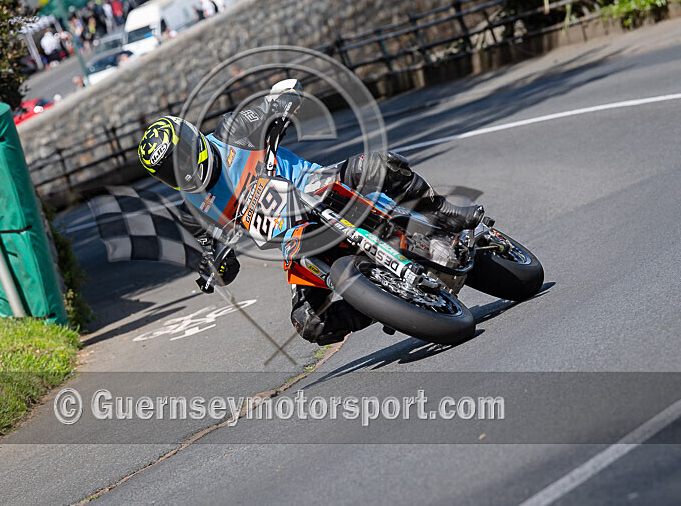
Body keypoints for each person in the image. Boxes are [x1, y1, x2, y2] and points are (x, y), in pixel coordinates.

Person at [137, 80, 483, 346]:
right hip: (294, 240)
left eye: (180, 158)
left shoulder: (234, 131)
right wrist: (216, 265)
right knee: (308, 321)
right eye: (169, 171)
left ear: (193, 139)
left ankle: (443, 211)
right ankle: (384, 299)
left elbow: (279, 100)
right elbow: (218, 262)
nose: (180, 171)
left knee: (374, 165)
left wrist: (284, 106)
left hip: (318, 186)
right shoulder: (192, 209)